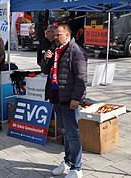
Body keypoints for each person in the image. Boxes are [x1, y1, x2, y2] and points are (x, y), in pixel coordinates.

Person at [47, 23, 87, 178]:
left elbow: (81, 78)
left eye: (59, 35)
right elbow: (47, 70)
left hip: (69, 99)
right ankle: (68, 162)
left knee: (72, 134)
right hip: (57, 97)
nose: (55, 37)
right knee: (65, 132)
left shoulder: (76, 51)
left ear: (68, 35)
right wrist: (46, 59)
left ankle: (77, 168)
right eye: (55, 34)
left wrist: (76, 98)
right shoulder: (57, 50)